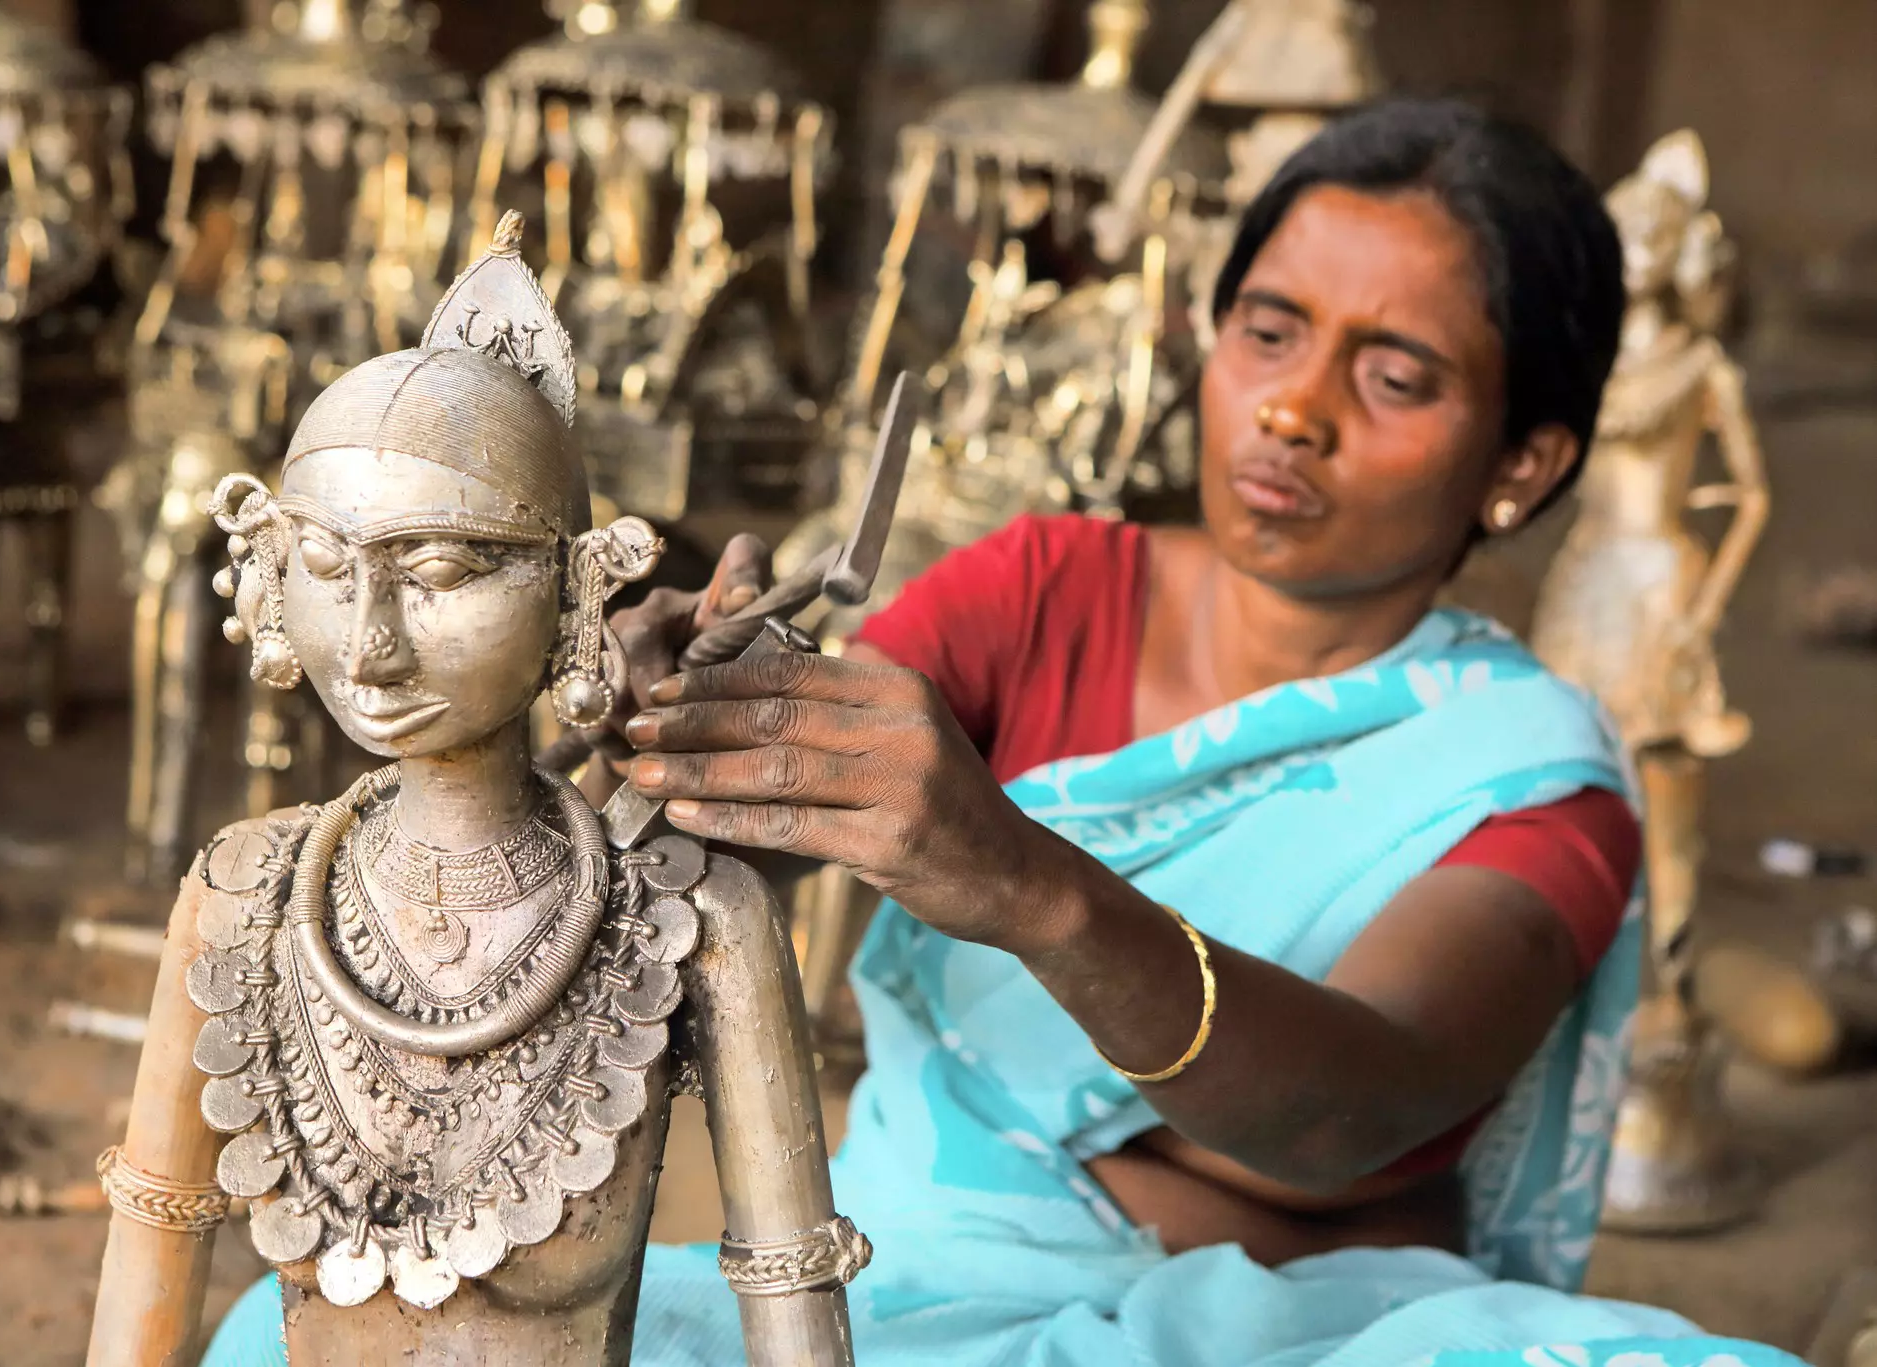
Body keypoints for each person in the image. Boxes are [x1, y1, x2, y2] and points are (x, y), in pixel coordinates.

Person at [611, 99, 1802, 1366]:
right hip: (903, 1289)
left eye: (1394, 376)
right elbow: (788, 798)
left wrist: (1032, 889)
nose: (1294, 408)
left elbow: (1345, 1114)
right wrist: (687, 719)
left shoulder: (1529, 775)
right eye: (1269, 332)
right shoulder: (1043, 590)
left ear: (1522, 462)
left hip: (1331, 1339)